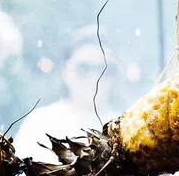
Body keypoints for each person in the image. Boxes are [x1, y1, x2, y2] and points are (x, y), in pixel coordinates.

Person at [13, 28, 111, 162]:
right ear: (66, 69)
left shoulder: (121, 127)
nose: (94, 77)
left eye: (103, 68)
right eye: (83, 68)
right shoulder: (39, 121)